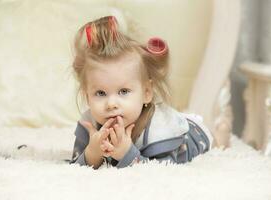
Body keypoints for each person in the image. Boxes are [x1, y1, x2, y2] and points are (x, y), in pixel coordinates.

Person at [70, 16, 213, 169]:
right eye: (100, 93)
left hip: (193, 134)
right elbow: (76, 166)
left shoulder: (160, 130)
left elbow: (163, 170)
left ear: (147, 92)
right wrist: (92, 152)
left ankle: (219, 134)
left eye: (123, 91)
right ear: (87, 96)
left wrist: (127, 153)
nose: (111, 104)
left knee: (213, 137)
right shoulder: (90, 125)